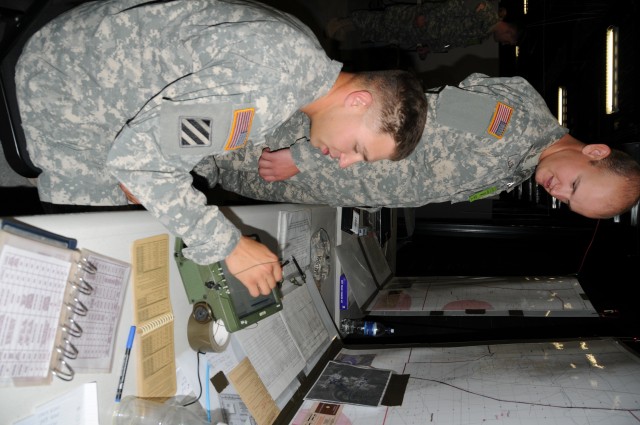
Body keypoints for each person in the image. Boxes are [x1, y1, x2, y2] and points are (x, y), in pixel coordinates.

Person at [15, 0, 427, 297]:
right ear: (358, 102)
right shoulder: (266, 93)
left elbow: (185, 132)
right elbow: (138, 164)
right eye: (358, 148)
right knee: (97, 261)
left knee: (158, 209)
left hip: (91, 49)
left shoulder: (304, 54)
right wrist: (228, 245)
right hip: (63, 87)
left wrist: (166, 177)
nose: (346, 162)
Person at [209, 73, 640, 220]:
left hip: (315, 182)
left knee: (207, 169)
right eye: (574, 186)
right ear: (596, 152)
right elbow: (403, 112)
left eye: (567, 202)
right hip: (298, 148)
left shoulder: (520, 168)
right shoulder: (513, 123)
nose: (558, 193)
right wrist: (302, 156)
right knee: (199, 138)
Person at [327, 0, 523, 59]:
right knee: (385, 21)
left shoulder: (481, 36)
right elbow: (454, 5)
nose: (505, 43)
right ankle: (343, 22)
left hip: (421, 35)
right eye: (508, 41)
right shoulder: (486, 11)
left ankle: (349, 28)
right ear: (509, 32)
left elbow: (451, 42)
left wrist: (429, 47)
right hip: (422, 20)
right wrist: (427, 16)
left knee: (385, 33)